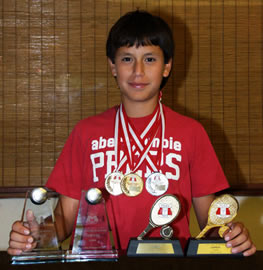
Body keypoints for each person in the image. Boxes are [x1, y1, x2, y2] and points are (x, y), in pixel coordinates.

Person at [8, 10, 256, 257]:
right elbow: (64, 220)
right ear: (113, 66)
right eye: (127, 59)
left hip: (168, 262)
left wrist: (231, 235)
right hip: (94, 262)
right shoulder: (85, 133)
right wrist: (36, 234)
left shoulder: (192, 133)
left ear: (167, 66)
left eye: (150, 59)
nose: (138, 71)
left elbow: (209, 225)